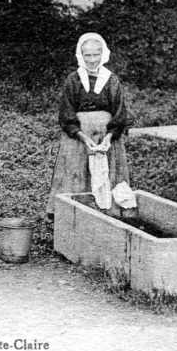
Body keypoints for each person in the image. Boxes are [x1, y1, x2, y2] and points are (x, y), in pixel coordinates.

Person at [46, 32, 130, 220]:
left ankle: (108, 214)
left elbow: (119, 112)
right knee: (77, 171)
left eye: (96, 54)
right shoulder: (73, 80)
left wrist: (109, 137)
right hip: (79, 137)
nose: (92, 60)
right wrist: (82, 137)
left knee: (107, 171)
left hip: (105, 136)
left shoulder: (112, 80)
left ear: (103, 54)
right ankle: (73, 216)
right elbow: (66, 113)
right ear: (80, 55)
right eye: (87, 55)